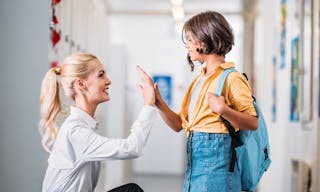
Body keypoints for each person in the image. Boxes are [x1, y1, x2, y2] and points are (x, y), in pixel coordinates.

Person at [141, 11, 259, 191]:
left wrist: (224, 110)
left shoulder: (232, 78)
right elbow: (178, 125)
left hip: (217, 176)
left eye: (189, 39)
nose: (187, 45)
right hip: (194, 171)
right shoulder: (198, 80)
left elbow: (253, 122)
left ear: (205, 39)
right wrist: (158, 101)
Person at [39, 52, 156, 192]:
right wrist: (149, 104)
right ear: (81, 84)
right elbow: (131, 148)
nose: (109, 81)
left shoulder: (83, 126)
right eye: (101, 75)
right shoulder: (75, 132)